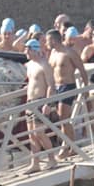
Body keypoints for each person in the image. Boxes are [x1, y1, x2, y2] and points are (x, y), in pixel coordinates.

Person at [47, 29, 88, 158]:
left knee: (64, 119)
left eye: (48, 41)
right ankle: (70, 146)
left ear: (53, 40)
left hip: (67, 86)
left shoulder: (69, 53)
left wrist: (85, 88)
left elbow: (82, 69)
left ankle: (67, 147)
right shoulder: (52, 53)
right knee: (61, 120)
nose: (46, 43)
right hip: (56, 88)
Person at [23, 39, 57, 174]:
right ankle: (35, 163)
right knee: (32, 134)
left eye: (27, 49)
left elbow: (51, 86)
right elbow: (32, 83)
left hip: (40, 101)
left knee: (39, 132)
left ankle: (51, 158)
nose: (25, 52)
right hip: (30, 102)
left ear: (33, 50)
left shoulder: (44, 65)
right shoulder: (30, 65)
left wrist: (48, 103)